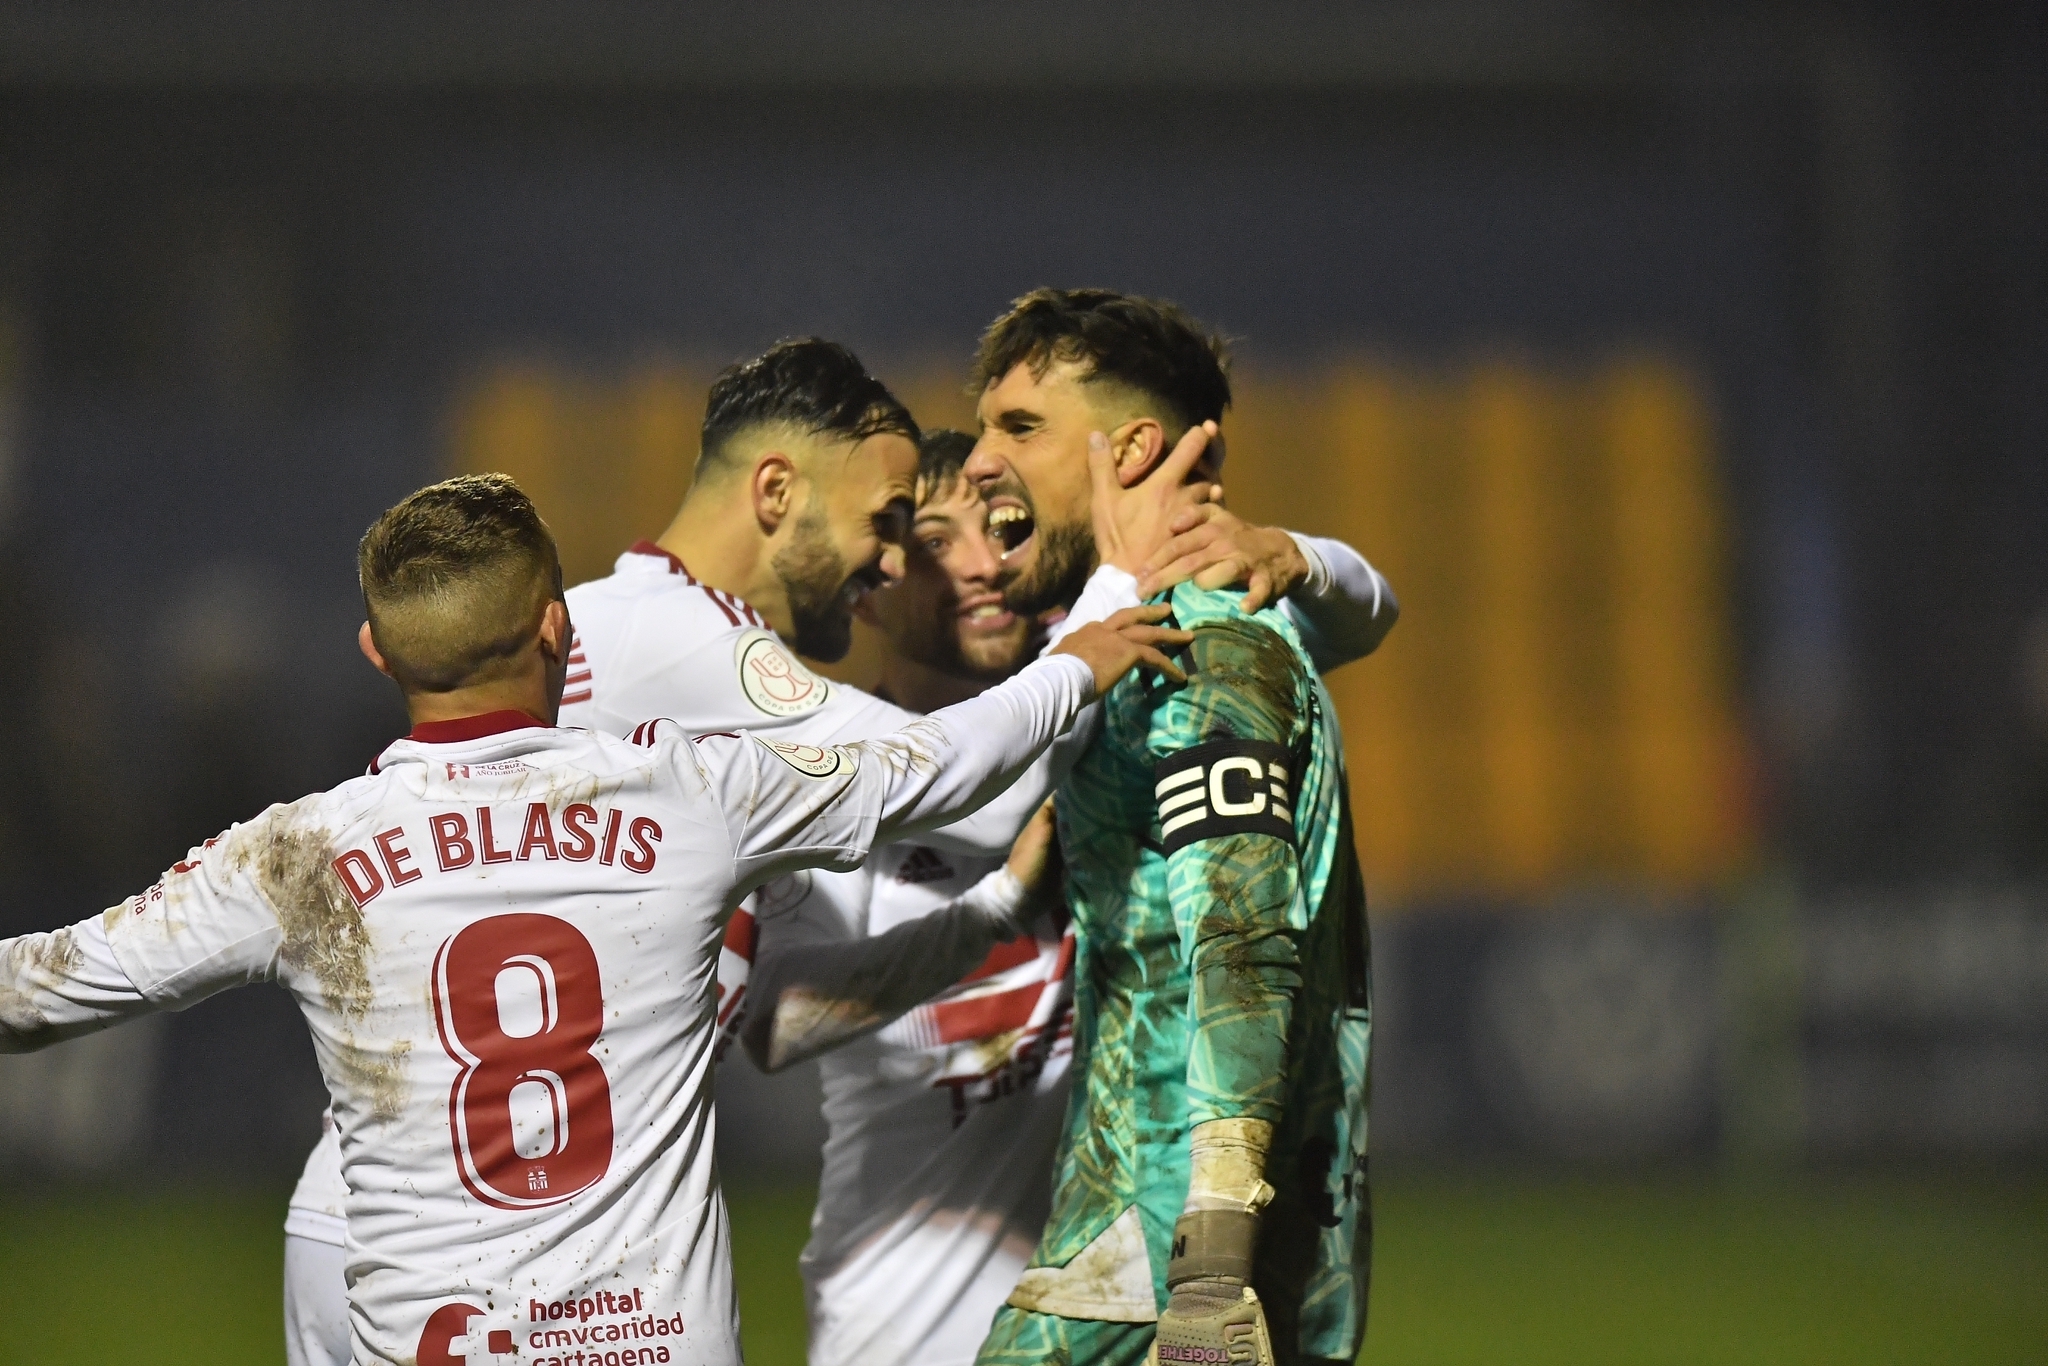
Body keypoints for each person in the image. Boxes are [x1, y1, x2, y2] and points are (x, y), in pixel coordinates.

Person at [0, 471, 1180, 1365]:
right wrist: (1091, 637)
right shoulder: (686, 789)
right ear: (558, 631)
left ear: (376, 652)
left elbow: (38, 986)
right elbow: (944, 759)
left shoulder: (300, 854)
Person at [278, 336, 1219, 1363]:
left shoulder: (589, 633)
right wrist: (1109, 600)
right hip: (498, 1248)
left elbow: (773, 1016)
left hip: (382, 1213)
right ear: (777, 492)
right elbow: (947, 777)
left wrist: (988, 916)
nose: (894, 563)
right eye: (884, 521)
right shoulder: (700, 655)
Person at [740, 427, 1396, 1366]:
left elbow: (1363, 615)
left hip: (1112, 1291)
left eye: (998, 528)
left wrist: (1296, 553)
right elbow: (770, 1023)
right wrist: (996, 909)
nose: (984, 565)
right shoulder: (841, 783)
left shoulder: (1104, 706)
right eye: (935, 540)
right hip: (903, 1323)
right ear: (875, 582)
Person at [964, 290, 1379, 1366]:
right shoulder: (1142, 642)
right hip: (1152, 1231)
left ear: (1131, 446)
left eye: (1018, 427)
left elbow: (1241, 949)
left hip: (1159, 1255)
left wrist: (1208, 1271)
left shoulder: (1202, 651)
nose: (975, 462)